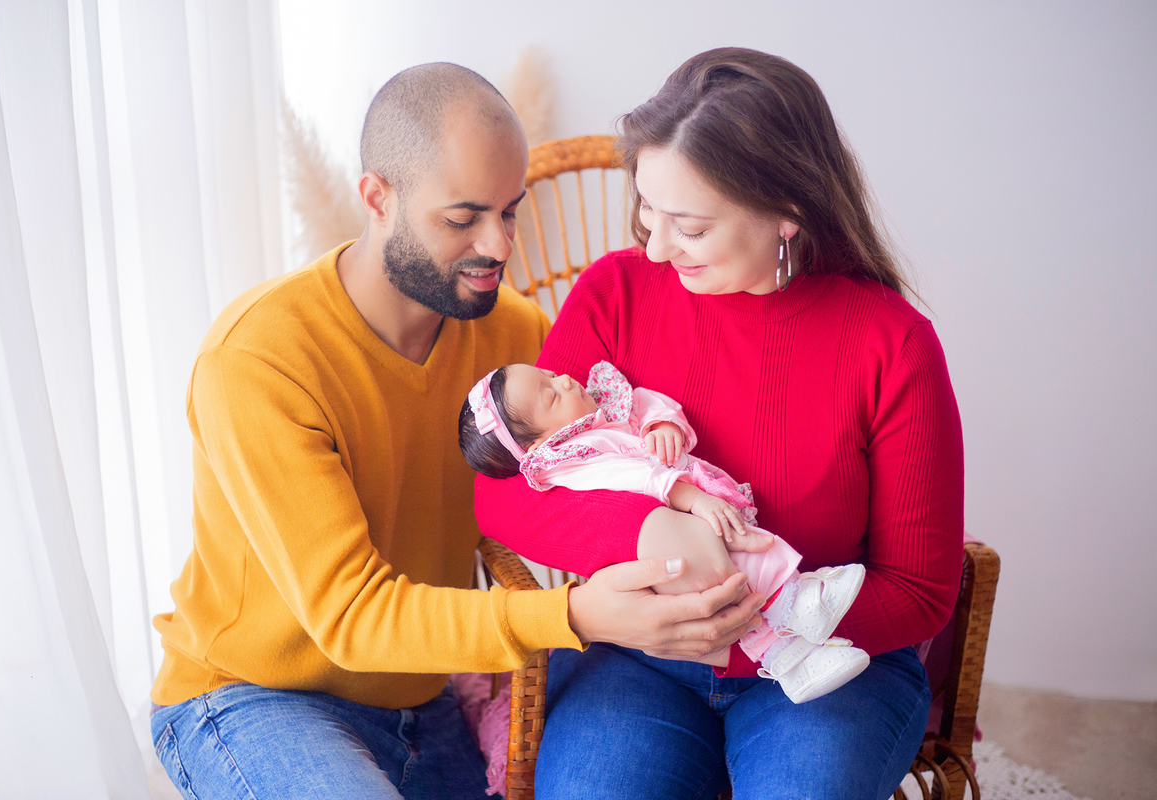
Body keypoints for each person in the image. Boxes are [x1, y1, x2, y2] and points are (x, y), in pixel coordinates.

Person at [148, 62, 765, 800]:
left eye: (510, 211)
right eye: (463, 217)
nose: (501, 246)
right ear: (377, 198)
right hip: (252, 697)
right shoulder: (260, 359)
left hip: (424, 697)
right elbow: (351, 615)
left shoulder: (514, 335)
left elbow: (609, 451)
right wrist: (573, 614)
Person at [474, 48, 965, 800]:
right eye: (646, 210)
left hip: (830, 664)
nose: (657, 248)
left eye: (690, 226)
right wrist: (646, 546)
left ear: (787, 216)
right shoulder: (615, 293)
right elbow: (504, 492)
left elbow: (923, 589)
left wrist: (766, 612)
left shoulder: (890, 344)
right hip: (639, 658)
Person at [459, 359, 872, 704]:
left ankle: (792, 661)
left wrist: (662, 424)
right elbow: (633, 476)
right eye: (551, 394)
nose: (563, 379)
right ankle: (799, 600)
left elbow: (645, 403)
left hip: (683, 507)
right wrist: (691, 498)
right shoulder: (572, 459)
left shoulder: (600, 410)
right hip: (676, 516)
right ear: (540, 446)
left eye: (548, 374)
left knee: (736, 553)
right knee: (740, 553)